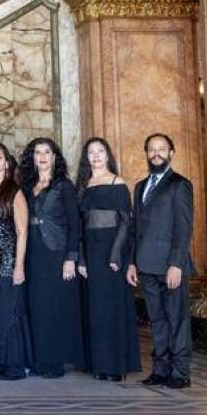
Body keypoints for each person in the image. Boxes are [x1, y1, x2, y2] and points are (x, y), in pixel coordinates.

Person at [128, 133, 194, 389]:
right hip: (145, 265)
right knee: (157, 321)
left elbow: (184, 228)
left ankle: (180, 373)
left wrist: (176, 264)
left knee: (177, 320)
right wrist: (133, 262)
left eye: (162, 149)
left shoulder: (180, 185)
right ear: (146, 153)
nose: (156, 153)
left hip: (170, 266)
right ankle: (160, 370)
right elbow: (135, 229)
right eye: (152, 149)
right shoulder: (140, 186)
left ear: (171, 153)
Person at [75, 137, 141, 382]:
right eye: (91, 152)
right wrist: (81, 259)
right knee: (95, 308)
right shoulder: (83, 185)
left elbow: (126, 222)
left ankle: (115, 366)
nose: (95, 156)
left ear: (108, 155)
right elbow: (80, 226)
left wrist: (116, 254)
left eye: (100, 151)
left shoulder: (118, 182)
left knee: (112, 307)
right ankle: (98, 364)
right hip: (90, 251)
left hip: (112, 250)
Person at [19, 137, 83, 378]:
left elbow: (75, 223)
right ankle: (39, 358)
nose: (42, 156)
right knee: (36, 305)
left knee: (55, 307)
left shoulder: (64, 185)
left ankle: (54, 361)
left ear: (55, 157)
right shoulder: (27, 185)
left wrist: (71, 257)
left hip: (56, 252)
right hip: (32, 251)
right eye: (37, 152)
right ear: (32, 157)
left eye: (47, 152)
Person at [0, 143, 32, 381]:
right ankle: (1, 359)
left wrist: (19, 265)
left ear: (7, 162)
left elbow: (22, 231)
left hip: (8, 259)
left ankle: (16, 365)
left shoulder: (14, 191)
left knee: (9, 312)